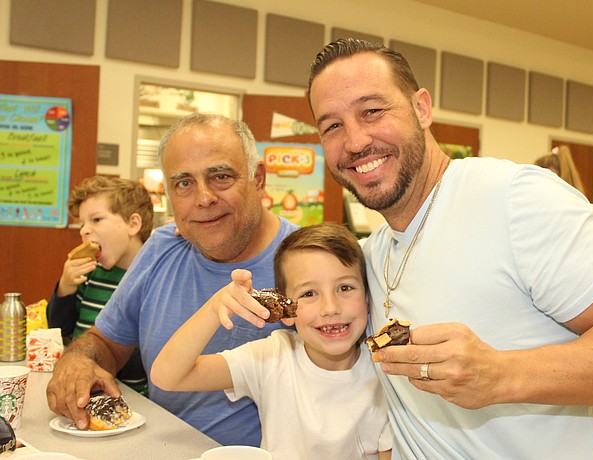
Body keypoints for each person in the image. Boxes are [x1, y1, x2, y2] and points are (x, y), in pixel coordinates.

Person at [301, 38, 593, 459]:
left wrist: (502, 375)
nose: (355, 141)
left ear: (421, 108)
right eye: (332, 126)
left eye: (372, 111)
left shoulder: (514, 199)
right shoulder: (371, 255)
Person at [46, 113, 299, 446]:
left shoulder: (310, 261)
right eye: (184, 184)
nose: (203, 198)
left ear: (258, 178)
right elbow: (106, 343)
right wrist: (79, 361)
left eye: (221, 176)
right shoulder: (163, 247)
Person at [151, 223, 392, 459]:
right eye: (309, 293)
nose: (330, 308)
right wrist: (215, 307)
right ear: (285, 310)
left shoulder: (389, 372)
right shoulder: (271, 358)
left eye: (345, 288)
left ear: (368, 298)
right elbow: (168, 376)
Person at [47, 175, 154, 395]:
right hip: (81, 390)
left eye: (96, 220)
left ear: (133, 224)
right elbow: (59, 329)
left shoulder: (153, 279)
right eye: (82, 223)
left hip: (131, 396)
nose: (83, 231)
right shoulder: (91, 273)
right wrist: (66, 287)